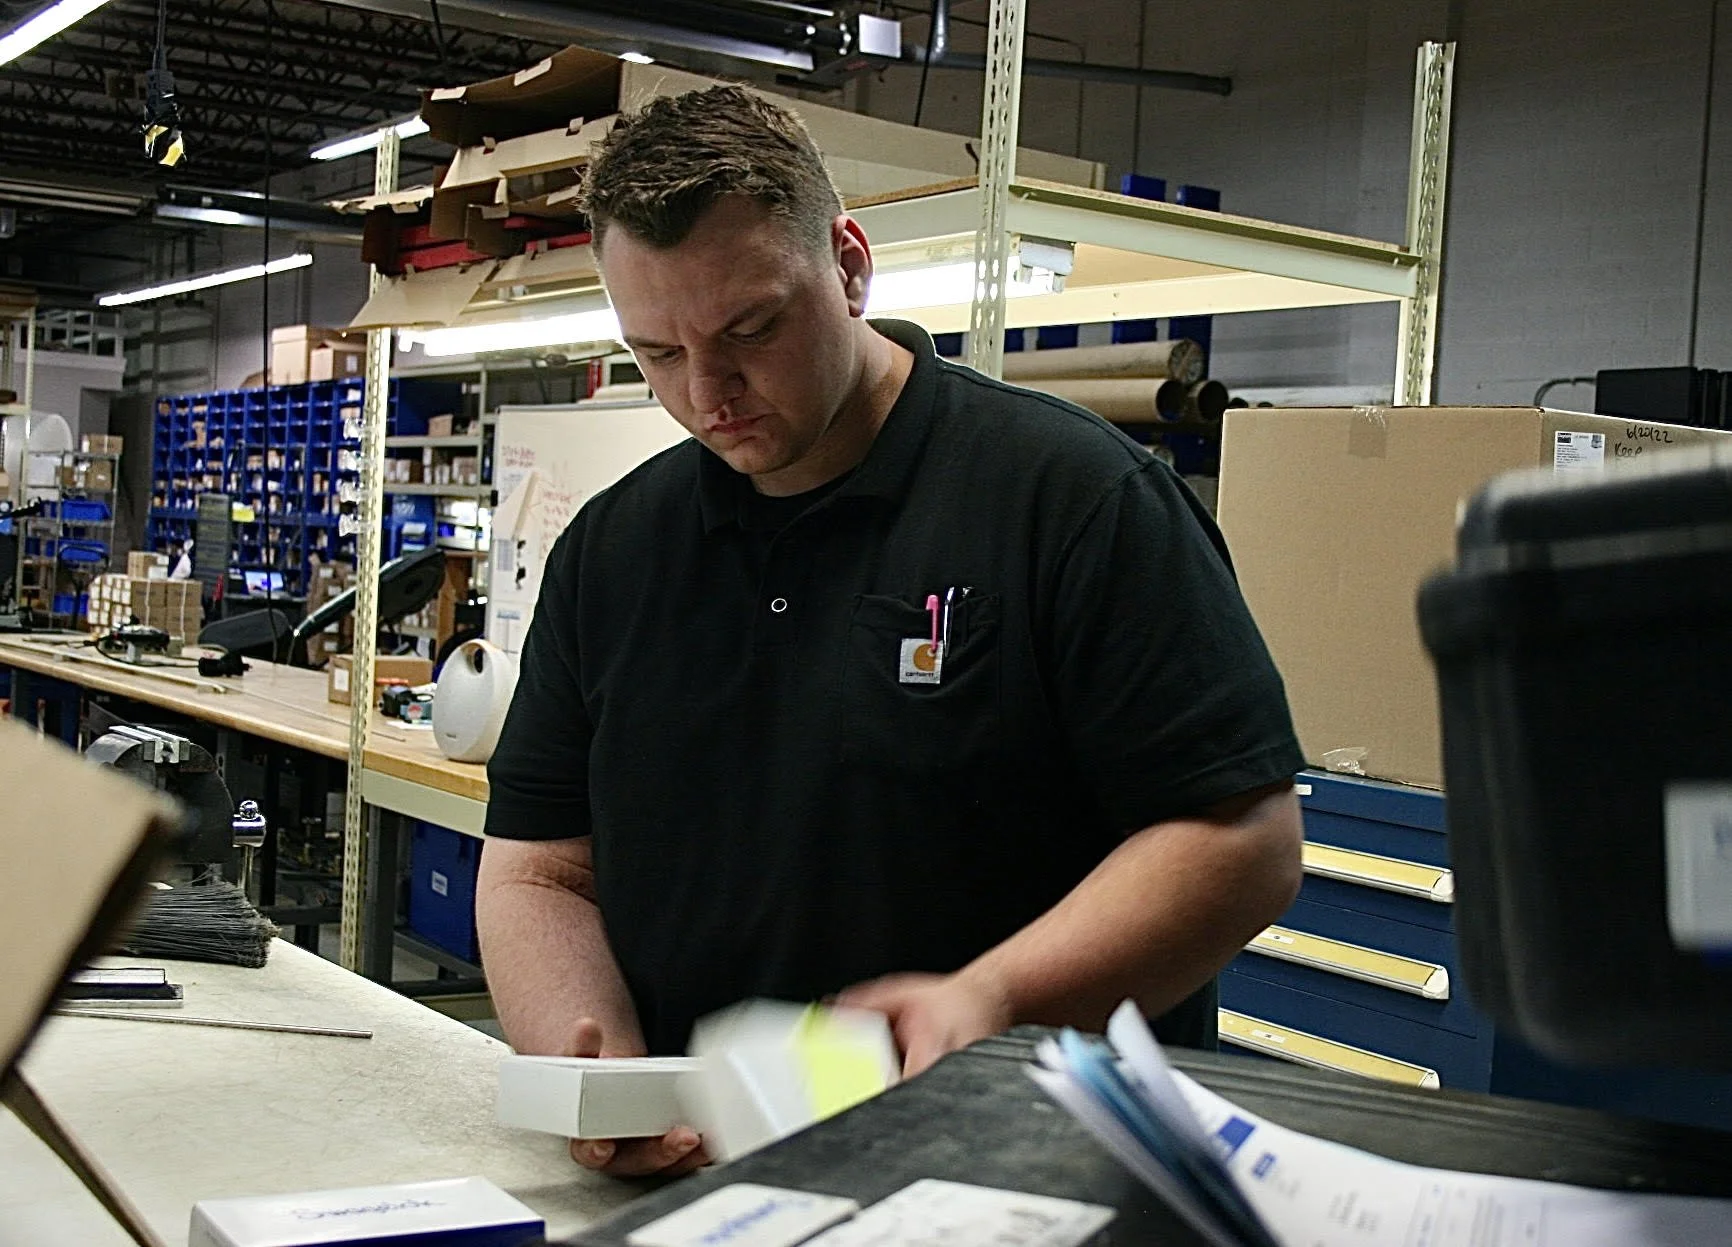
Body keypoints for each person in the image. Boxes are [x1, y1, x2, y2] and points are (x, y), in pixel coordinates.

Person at [477, 85, 1305, 1179]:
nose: (709, 392)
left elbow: (1243, 840)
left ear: (850, 264)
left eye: (750, 329)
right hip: (716, 1181)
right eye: (658, 354)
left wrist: (992, 998)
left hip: (1024, 1173)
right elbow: (540, 869)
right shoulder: (613, 551)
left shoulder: (1072, 500)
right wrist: (586, 1055)